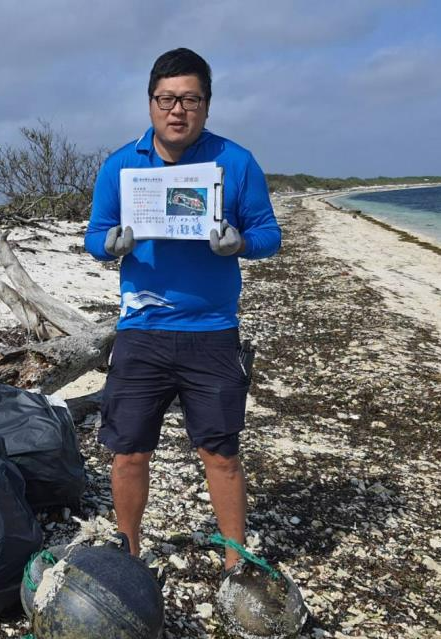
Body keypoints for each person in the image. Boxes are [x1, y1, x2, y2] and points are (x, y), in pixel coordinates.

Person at [83, 48, 282, 570]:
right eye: (166, 99)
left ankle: (236, 563)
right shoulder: (122, 164)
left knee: (221, 453)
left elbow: (269, 234)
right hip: (141, 330)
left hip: (212, 331)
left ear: (207, 106)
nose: (178, 110)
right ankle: (127, 554)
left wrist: (239, 243)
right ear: (150, 103)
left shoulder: (235, 162)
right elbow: (92, 236)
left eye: (190, 99)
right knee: (128, 452)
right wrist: (112, 243)